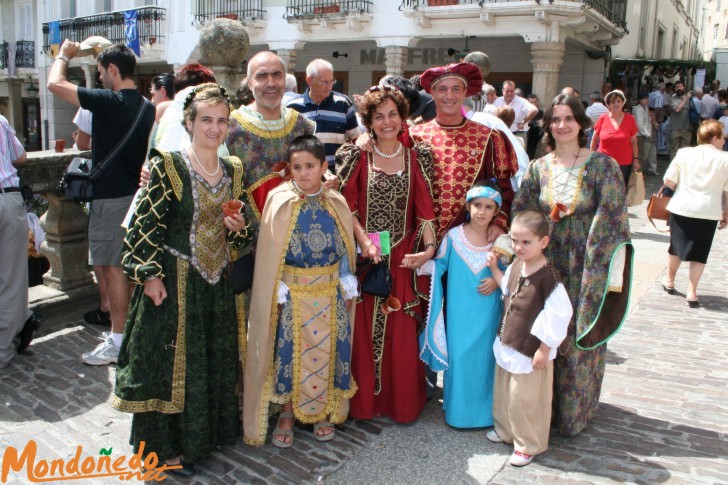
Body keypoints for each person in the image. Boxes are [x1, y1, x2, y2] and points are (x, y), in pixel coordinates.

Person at [112, 84, 251, 478]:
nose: (215, 128)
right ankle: (164, 447)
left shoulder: (234, 170)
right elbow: (143, 227)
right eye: (206, 119)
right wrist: (150, 275)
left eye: (222, 121)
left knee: (209, 361)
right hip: (174, 282)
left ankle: (202, 439)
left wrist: (238, 227)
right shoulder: (168, 165)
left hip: (217, 283)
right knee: (170, 365)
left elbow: (244, 234)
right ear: (189, 122)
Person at [513, 94, 633, 437]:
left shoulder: (602, 165)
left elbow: (612, 217)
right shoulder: (539, 167)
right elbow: (523, 211)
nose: (562, 126)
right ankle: (539, 412)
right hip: (545, 262)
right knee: (541, 333)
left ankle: (573, 414)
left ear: (582, 123)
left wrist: (598, 270)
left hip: (585, 264)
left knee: (577, 336)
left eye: (569, 119)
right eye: (555, 119)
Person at [243, 135, 358, 447]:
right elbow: (270, 252)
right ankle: (287, 414)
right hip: (292, 296)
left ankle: (322, 412)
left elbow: (346, 245)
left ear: (324, 166)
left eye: (310, 166)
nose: (304, 173)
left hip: (331, 294)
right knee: (289, 356)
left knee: (329, 352)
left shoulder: (336, 201)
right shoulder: (279, 201)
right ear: (289, 169)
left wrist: (347, 279)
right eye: (297, 167)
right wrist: (275, 289)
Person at [47, 41, 156, 366]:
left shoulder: (109, 102)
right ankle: (133, 335)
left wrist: (64, 55)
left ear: (112, 71)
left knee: (114, 268)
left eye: (100, 72)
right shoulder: (146, 106)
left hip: (110, 200)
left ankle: (119, 341)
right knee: (126, 267)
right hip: (134, 198)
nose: (99, 79)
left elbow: (55, 83)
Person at [337, 86, 437, 423]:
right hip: (369, 256)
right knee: (364, 328)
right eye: (378, 116)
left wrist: (428, 251)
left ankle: (401, 402)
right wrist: (365, 242)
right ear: (368, 121)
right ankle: (366, 403)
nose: (387, 121)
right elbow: (346, 207)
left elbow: (425, 212)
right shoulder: (357, 157)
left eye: (392, 114)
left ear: (403, 117)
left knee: (401, 329)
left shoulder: (416, 157)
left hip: (404, 257)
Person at [485, 210, 572, 467]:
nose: (518, 247)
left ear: (543, 242)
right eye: (515, 241)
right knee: (505, 393)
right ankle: (505, 430)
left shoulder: (549, 277)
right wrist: (493, 268)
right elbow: (508, 289)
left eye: (526, 242)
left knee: (527, 399)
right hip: (508, 341)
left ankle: (528, 443)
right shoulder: (516, 266)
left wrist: (545, 349)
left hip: (530, 350)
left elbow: (559, 314)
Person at [420, 183, 504, 428]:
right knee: (460, 357)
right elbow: (439, 265)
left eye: (489, 207)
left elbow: (510, 269)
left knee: (485, 360)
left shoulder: (500, 242)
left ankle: (484, 413)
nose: (482, 211)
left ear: (496, 212)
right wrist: (421, 263)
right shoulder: (454, 236)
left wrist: (497, 280)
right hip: (459, 315)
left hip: (487, 313)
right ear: (468, 206)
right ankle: (458, 412)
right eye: (477, 205)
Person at [660, 120, 728, 308]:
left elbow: (669, 182)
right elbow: (727, 191)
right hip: (708, 211)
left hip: (682, 207)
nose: (724, 141)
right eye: (723, 137)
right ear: (715, 138)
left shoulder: (684, 153)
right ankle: (692, 291)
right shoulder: (726, 159)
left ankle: (670, 280)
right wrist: (726, 213)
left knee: (675, 248)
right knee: (700, 253)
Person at [227, 52, 316, 193]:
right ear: (250, 83)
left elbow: (315, 170)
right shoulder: (229, 127)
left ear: (285, 80)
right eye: (261, 76)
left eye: (277, 75)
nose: (271, 83)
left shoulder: (302, 125)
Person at [0, 114, 41, 369]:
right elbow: (21, 156)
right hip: (7, 198)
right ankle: (4, 348)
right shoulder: (1, 120)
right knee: (11, 279)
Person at [285, 59, 362, 171]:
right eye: (325, 82)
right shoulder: (292, 106)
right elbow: (287, 144)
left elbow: (356, 138)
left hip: (337, 175)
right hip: (305, 175)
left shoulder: (343, 103)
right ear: (309, 80)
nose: (329, 87)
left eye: (332, 81)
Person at [589, 89, 639, 185]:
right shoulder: (602, 118)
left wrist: (636, 159)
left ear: (623, 103)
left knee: (620, 191)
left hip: (624, 163)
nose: (616, 104)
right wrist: (591, 158)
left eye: (618, 101)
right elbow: (594, 140)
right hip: (603, 162)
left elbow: (634, 142)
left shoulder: (630, 119)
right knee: (603, 190)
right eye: (613, 102)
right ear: (608, 105)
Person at [494, 80, 538, 146]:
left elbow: (534, 110)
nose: (509, 93)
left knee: (518, 156)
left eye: (511, 91)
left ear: (514, 91)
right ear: (502, 91)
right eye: (507, 91)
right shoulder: (498, 100)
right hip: (501, 134)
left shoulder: (521, 102)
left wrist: (523, 122)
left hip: (517, 134)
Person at [666, 81, 693, 162]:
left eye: (680, 86)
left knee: (685, 150)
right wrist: (685, 99)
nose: (678, 88)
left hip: (687, 128)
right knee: (674, 149)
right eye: (676, 87)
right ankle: (673, 168)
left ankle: (683, 169)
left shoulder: (690, 99)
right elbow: (677, 109)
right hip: (675, 128)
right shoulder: (671, 99)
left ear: (684, 87)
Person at [635, 93, 659, 176]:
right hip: (641, 135)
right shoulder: (639, 109)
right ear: (640, 100)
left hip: (647, 134)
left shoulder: (645, 108)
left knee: (648, 154)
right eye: (644, 99)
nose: (646, 100)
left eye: (647, 99)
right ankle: (638, 173)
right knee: (642, 155)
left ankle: (644, 171)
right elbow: (640, 124)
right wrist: (647, 134)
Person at [526, 94, 545, 160]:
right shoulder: (525, 112)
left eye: (535, 102)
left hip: (536, 138)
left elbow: (543, 124)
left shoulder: (541, 113)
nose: (533, 104)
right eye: (531, 102)